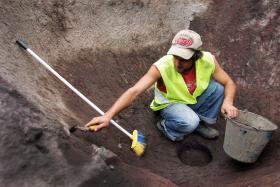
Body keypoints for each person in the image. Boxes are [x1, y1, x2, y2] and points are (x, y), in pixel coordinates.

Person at [85, 29, 238, 141]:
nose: (177, 62)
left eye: (183, 59)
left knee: (218, 89)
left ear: (196, 56)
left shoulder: (208, 60)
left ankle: (197, 124)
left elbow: (229, 82)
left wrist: (228, 101)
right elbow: (135, 91)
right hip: (170, 102)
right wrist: (107, 116)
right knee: (189, 122)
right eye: (175, 56)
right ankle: (167, 126)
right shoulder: (162, 66)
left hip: (190, 98)